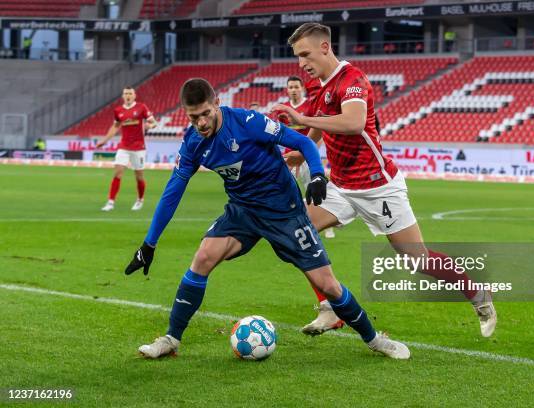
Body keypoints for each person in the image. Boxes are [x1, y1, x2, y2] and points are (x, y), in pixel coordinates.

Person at [127, 78, 409, 360]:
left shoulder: (248, 122)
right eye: (193, 117)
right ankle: (171, 339)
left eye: (205, 114)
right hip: (243, 211)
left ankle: (375, 340)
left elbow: (300, 141)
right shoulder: (192, 144)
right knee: (202, 258)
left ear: (216, 104)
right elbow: (172, 191)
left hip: (285, 212)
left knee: (328, 285)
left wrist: (318, 173)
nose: (200, 123)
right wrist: (149, 243)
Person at [274, 23, 497, 338]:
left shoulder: (353, 79)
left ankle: (478, 294)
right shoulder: (322, 87)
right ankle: (329, 308)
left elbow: (352, 122)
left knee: (418, 259)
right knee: (296, 234)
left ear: (325, 47)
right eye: (297, 57)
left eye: (305, 54)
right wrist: (301, 150)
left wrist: (301, 119)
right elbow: (321, 128)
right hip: (341, 187)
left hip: (378, 186)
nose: (301, 64)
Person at [272, 76, 335, 239]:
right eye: (290, 87)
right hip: (288, 155)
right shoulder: (282, 109)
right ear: (287, 89)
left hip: (307, 154)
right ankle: (288, 221)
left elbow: (319, 131)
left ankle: (327, 224)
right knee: (284, 187)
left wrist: (312, 151)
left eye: (296, 87)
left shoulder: (310, 106)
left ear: (302, 88)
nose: (293, 90)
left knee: (313, 187)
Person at [96, 87, 157, 211]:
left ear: (134, 95)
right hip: (124, 146)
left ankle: (140, 200)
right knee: (118, 172)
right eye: (125, 93)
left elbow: (154, 123)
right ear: (123, 96)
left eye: (130, 93)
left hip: (139, 147)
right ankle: (110, 202)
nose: (128, 95)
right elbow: (115, 127)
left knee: (139, 176)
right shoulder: (118, 111)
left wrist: (148, 125)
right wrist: (104, 141)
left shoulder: (141, 107)